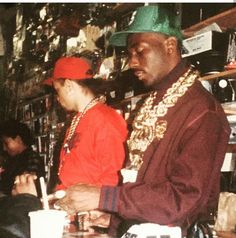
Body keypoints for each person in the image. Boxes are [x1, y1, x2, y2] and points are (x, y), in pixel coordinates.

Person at [55, 5, 231, 237]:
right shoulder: (153, 101)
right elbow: (144, 185)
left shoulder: (202, 111)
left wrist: (105, 197)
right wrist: (114, 218)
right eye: (130, 54)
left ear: (169, 46)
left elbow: (181, 199)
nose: (132, 62)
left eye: (140, 51)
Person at [43, 56, 128, 190]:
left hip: (90, 207)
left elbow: (112, 176)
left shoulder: (105, 118)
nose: (57, 98)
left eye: (57, 90)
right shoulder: (77, 118)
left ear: (69, 86)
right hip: (71, 203)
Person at [0, 119, 45, 196]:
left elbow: (24, 190)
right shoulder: (13, 159)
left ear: (18, 139)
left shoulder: (32, 159)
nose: (4, 148)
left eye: (6, 143)